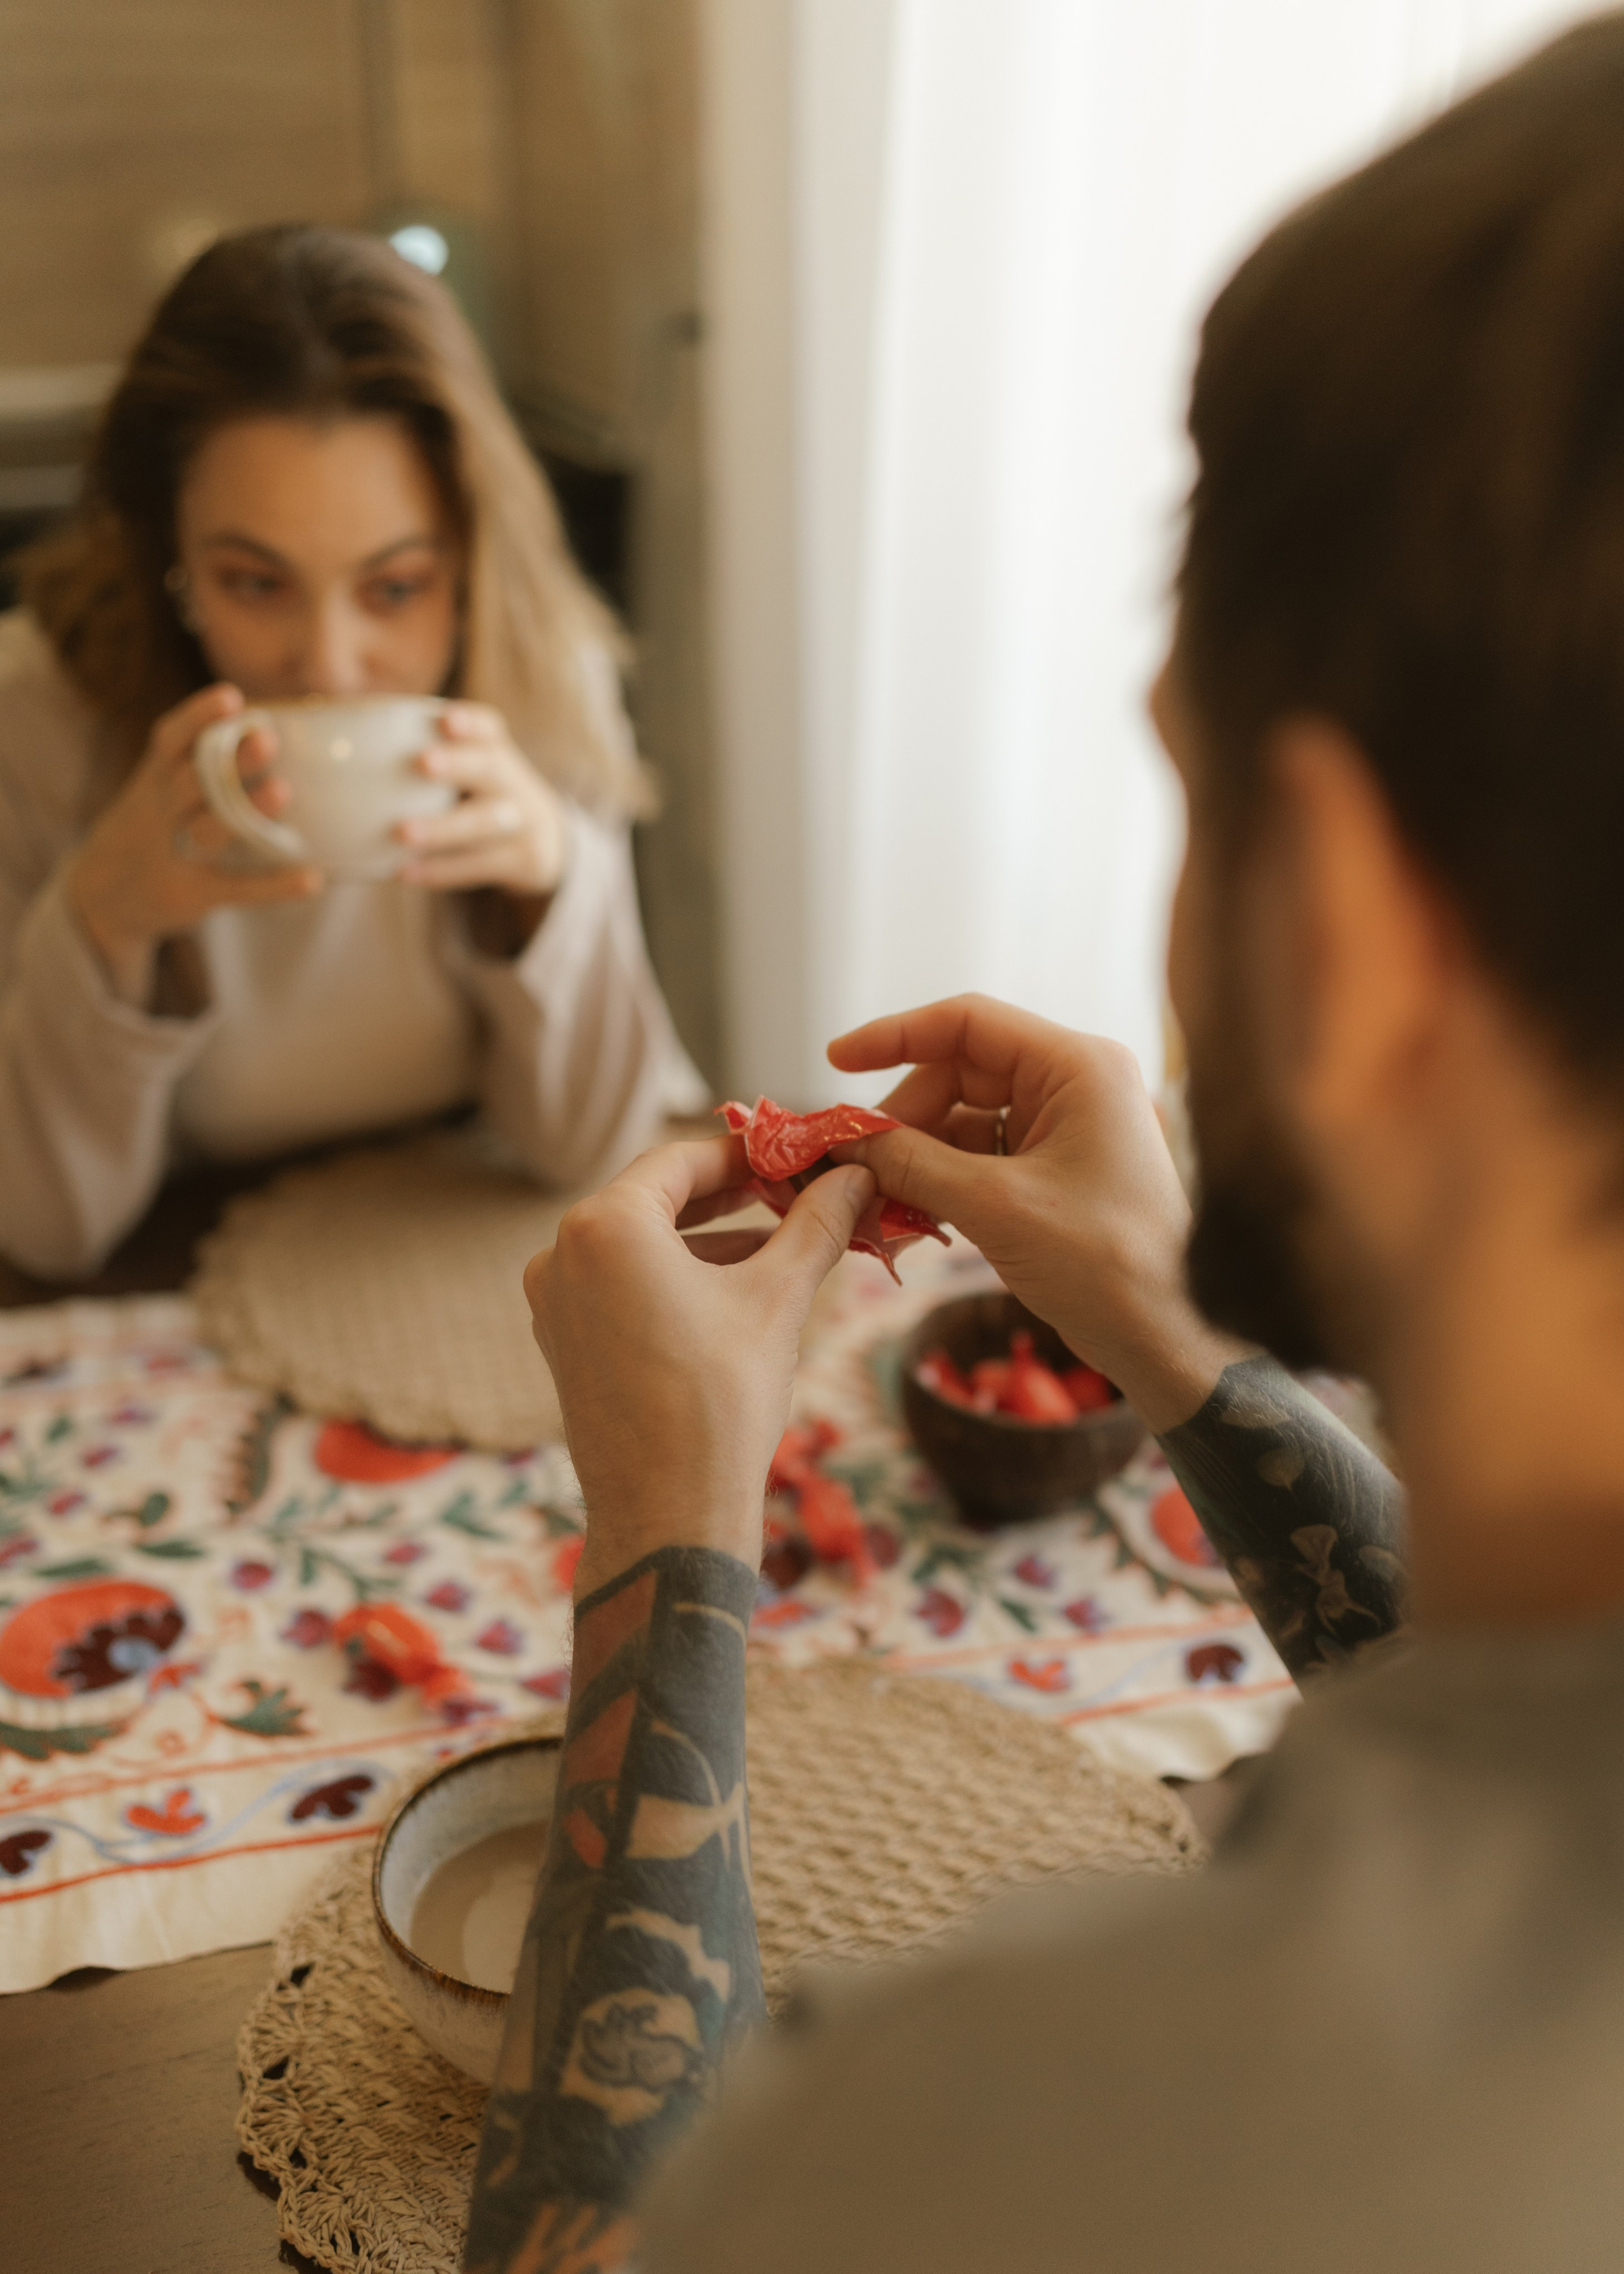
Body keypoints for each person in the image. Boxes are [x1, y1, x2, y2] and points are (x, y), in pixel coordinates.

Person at [468, 15, 1624, 2273]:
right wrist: (1168, 1328)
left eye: (1180, 786)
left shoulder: (1002, 2143)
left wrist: (668, 1548)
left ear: (1360, 929)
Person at [0, 224, 697, 1280]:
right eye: (254, 581)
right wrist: (101, 915)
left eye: (397, 588)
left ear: (469, 563)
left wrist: (556, 883)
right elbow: (47, 1230)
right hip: (173, 1263)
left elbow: (594, 1151)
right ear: (168, 555)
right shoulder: (44, 714)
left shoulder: (539, 675)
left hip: (461, 1246)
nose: (328, 665)